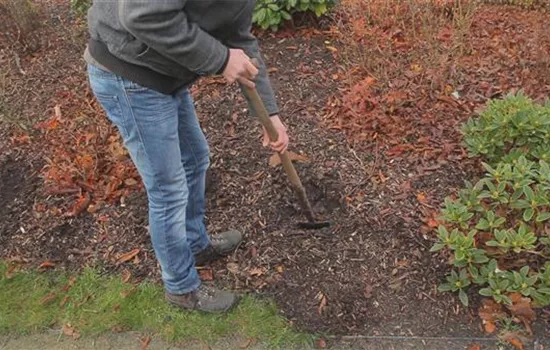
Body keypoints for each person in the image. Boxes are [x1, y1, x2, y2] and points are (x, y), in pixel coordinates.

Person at [84, 1, 289, 313]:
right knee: (168, 188)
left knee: (195, 160)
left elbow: (240, 39)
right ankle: (180, 287)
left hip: (167, 71)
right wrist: (220, 60)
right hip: (128, 74)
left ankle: (195, 243)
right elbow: (143, 15)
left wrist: (270, 114)